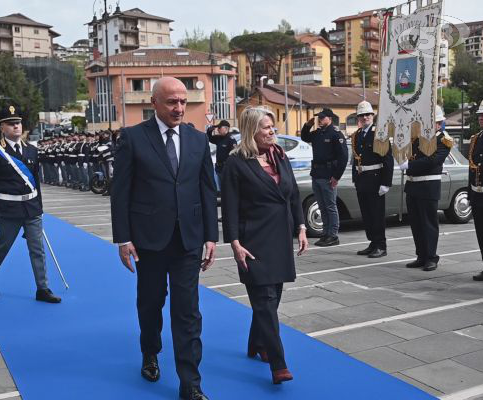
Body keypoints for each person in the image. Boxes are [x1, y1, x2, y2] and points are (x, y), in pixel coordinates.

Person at [111, 77, 218, 400]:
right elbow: (121, 193)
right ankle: (150, 352)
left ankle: (190, 383)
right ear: (154, 103)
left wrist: (211, 236)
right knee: (151, 302)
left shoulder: (198, 140)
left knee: (188, 311)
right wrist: (123, 238)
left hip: (188, 240)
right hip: (148, 241)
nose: (179, 108)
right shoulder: (132, 138)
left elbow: (206, 189)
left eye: (183, 102)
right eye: (172, 102)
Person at [221, 106, 308, 386]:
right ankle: (279, 364)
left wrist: (301, 227)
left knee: (273, 298)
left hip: (279, 237)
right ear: (251, 131)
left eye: (273, 126)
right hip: (252, 241)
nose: (272, 131)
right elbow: (230, 205)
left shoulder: (278, 155)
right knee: (266, 302)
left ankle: (256, 343)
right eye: (266, 127)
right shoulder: (235, 163)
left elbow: (293, 193)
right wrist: (234, 242)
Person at [0, 104, 61, 303]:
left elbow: (36, 183)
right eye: (11, 124)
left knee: (37, 249)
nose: (16, 126)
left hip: (32, 208)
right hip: (8, 210)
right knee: (2, 247)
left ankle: (42, 288)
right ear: (2, 127)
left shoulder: (32, 151)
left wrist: (40, 209)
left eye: (18, 123)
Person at [400, 105, 452, 272]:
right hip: (413, 184)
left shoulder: (443, 139)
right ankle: (421, 255)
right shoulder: (419, 138)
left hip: (429, 185)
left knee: (428, 224)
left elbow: (432, 161)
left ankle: (431, 257)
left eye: (432, 122)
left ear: (439, 123)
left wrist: (410, 165)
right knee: (416, 223)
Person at [351, 101, 394, 258]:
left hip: (376, 179)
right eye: (361, 115)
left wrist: (385, 183)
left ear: (372, 116)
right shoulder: (357, 135)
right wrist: (355, 178)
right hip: (362, 180)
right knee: (367, 214)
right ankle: (373, 242)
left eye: (367, 115)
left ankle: (381, 245)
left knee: (376, 214)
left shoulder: (379, 134)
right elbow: (355, 159)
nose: (365, 117)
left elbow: (388, 159)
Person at [300, 108, 348, 246]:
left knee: (330, 206)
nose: (320, 120)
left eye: (322, 117)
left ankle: (333, 235)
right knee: (322, 206)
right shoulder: (318, 133)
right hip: (316, 174)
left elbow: (343, 157)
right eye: (319, 118)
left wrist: (336, 177)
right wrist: (308, 125)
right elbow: (304, 137)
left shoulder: (335, 134)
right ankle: (326, 233)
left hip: (328, 176)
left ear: (330, 118)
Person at [469, 98, 483, 281]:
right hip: (477, 193)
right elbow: (471, 169)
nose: (481, 118)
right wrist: (470, 192)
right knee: (481, 233)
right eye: (480, 115)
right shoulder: (476, 139)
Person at [206, 120, 237, 190]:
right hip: (219, 169)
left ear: (226, 128)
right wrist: (210, 130)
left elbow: (234, 155)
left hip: (227, 169)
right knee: (222, 189)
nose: (218, 129)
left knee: (227, 189)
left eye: (220, 127)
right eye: (218, 128)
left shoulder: (231, 139)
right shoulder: (219, 138)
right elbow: (209, 138)